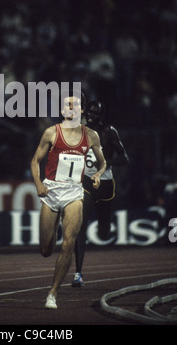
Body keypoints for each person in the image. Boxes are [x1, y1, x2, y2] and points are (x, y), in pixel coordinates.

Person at [30, 91, 106, 309]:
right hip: (52, 192)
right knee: (46, 250)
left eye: (76, 105)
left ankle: (52, 293)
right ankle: (52, 232)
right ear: (63, 110)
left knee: (69, 243)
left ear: (81, 110)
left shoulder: (91, 135)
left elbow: (103, 163)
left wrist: (99, 174)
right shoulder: (51, 133)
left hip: (74, 193)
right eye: (67, 105)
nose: (71, 108)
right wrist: (38, 184)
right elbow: (35, 161)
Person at [71, 100, 129, 287]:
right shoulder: (78, 131)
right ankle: (78, 273)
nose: (92, 115)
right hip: (86, 183)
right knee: (80, 224)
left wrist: (104, 162)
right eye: (90, 112)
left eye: (96, 113)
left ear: (102, 116)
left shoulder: (108, 132)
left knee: (104, 233)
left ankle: (105, 227)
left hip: (104, 184)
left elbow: (124, 158)